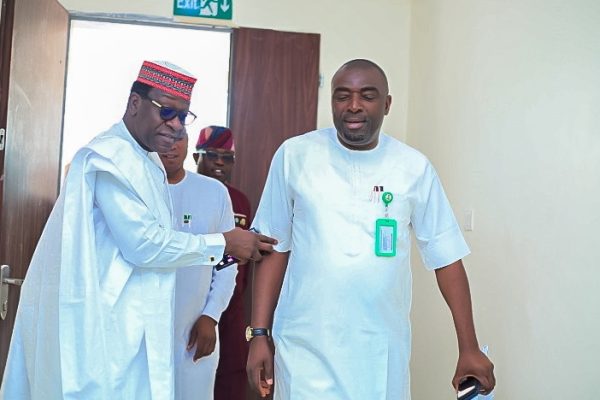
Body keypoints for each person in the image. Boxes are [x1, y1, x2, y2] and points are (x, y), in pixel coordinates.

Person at [1, 60, 275, 400]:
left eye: (183, 116)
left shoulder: (146, 161)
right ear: (134, 104)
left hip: (138, 323)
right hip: (106, 324)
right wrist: (223, 242)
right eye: (167, 112)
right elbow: (143, 245)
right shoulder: (110, 158)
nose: (175, 126)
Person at [246, 59, 496, 399]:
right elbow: (273, 246)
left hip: (380, 351)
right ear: (332, 101)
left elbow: (446, 256)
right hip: (305, 346)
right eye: (342, 95)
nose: (353, 105)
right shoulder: (295, 156)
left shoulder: (413, 167)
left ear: (387, 104)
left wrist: (468, 347)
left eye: (367, 95)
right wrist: (259, 332)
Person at [159, 131, 237, 400]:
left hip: (194, 334)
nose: (171, 146)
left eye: (178, 137)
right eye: (163, 138)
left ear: (188, 144)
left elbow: (228, 261)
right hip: (142, 332)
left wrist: (211, 315)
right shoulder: (136, 189)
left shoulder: (214, 192)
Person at [193, 126, 252, 400]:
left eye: (226, 157)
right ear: (196, 158)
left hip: (232, 304)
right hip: (192, 301)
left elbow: (241, 257)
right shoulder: (183, 192)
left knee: (231, 372)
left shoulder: (240, 201)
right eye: (212, 155)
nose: (219, 162)